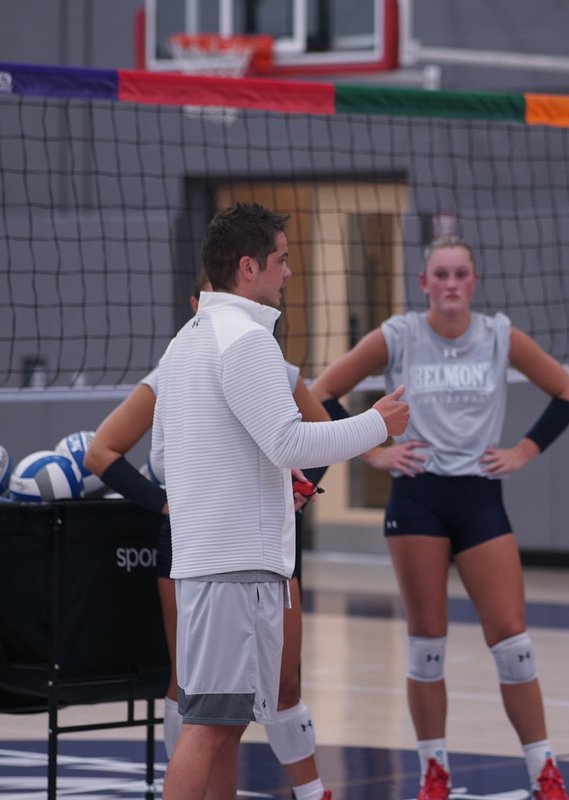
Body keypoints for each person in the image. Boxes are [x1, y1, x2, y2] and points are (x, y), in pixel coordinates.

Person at [310, 235, 569, 800]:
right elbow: (323, 392)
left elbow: (568, 392)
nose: (452, 283)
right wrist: (373, 450)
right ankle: (434, 772)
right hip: (418, 499)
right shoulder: (400, 335)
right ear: (424, 283)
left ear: (474, 281)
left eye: (461, 273)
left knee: (513, 642)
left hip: (480, 497)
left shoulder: (498, 335)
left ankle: (544, 772)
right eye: (442, 274)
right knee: (426, 641)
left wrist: (524, 452)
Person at [151, 203, 410, 800]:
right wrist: (378, 423)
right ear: (249, 268)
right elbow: (287, 441)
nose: (289, 273)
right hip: (234, 568)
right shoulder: (246, 341)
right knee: (209, 729)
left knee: (222, 726)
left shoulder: (186, 341)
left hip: (208, 563)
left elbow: (164, 459)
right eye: (282, 260)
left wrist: (233, 480)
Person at [85, 273, 340, 800]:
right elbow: (104, 452)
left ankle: (313, 791)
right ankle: (184, 785)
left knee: (273, 687)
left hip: (264, 540)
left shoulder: (268, 362)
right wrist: (168, 501)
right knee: (198, 698)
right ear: (196, 303)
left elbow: (312, 445)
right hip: (200, 543)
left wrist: (300, 487)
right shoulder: (176, 367)